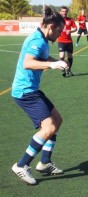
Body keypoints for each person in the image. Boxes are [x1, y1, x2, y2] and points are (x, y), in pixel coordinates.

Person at [11, 6, 68, 185]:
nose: (59, 35)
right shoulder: (36, 39)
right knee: (49, 127)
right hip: (24, 92)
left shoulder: (42, 41)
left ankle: (44, 162)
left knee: (57, 120)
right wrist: (52, 66)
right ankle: (21, 165)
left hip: (32, 90)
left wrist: (56, 61)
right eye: (59, 31)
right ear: (50, 26)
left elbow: (42, 58)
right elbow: (28, 63)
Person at [58, 6, 77, 77]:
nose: (64, 13)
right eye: (62, 11)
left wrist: (71, 30)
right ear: (60, 12)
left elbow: (75, 28)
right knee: (62, 56)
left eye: (65, 11)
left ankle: (69, 69)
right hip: (61, 41)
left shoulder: (70, 20)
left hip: (69, 41)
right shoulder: (58, 20)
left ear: (67, 12)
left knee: (70, 56)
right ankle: (63, 69)